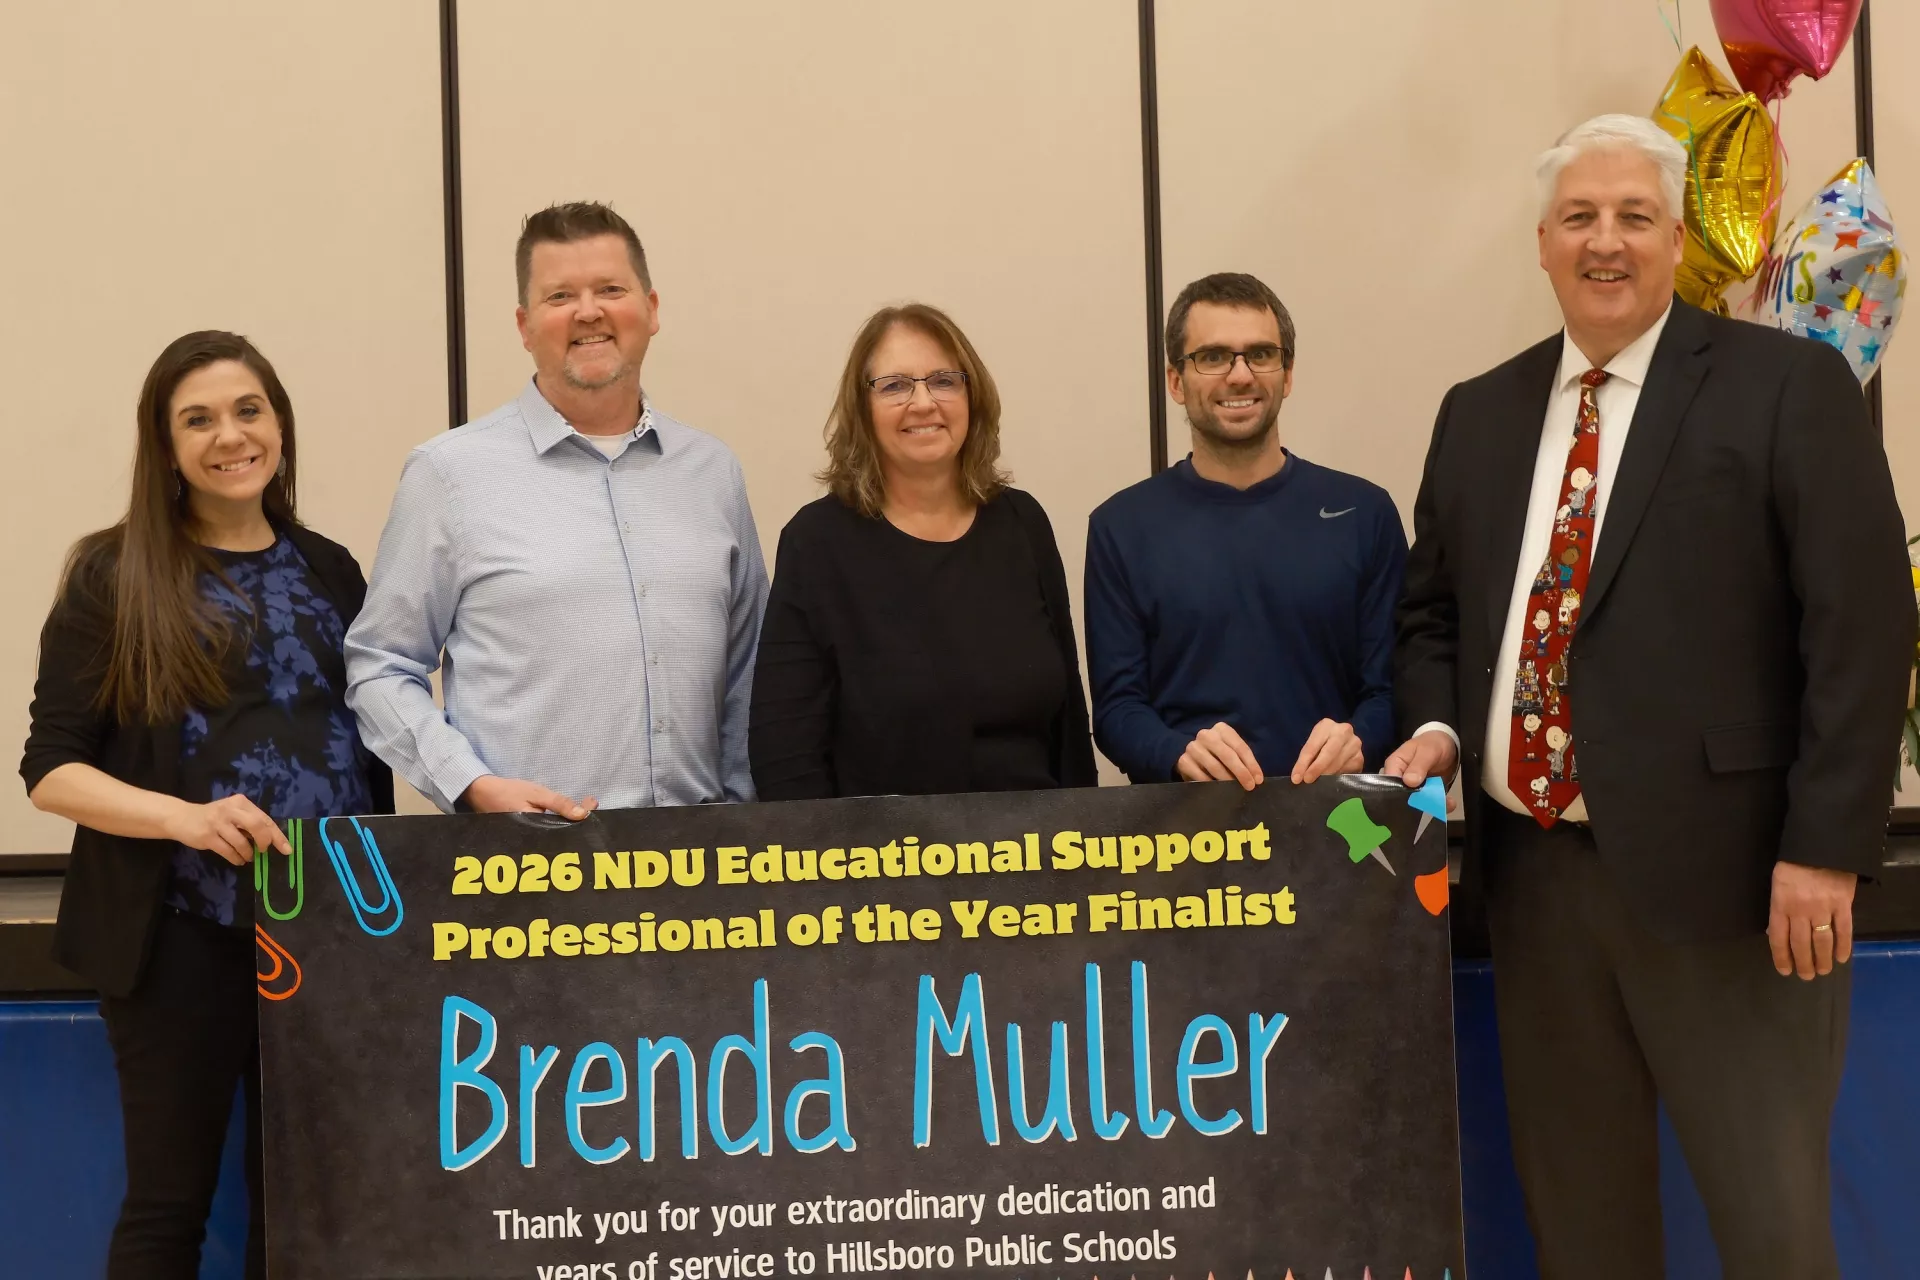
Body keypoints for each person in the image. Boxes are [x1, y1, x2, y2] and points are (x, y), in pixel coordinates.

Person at [1388, 115, 1913, 1279]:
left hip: (1740, 886)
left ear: (1680, 239)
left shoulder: (1787, 385)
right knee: (1584, 1233)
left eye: (1634, 216)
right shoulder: (1479, 410)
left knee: (1773, 1230)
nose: (1606, 241)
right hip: (1535, 884)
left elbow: (1862, 623)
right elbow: (1432, 614)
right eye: (1580, 217)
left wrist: (1825, 845)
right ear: (1541, 243)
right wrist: (1435, 727)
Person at [21, 331, 393, 1279]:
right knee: (168, 1209)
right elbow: (51, 770)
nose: (230, 436)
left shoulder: (329, 568)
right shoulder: (113, 574)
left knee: (304, 1216)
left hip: (323, 938)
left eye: (248, 410)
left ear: (280, 425)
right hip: (178, 938)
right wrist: (186, 819)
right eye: (199, 420)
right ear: (166, 446)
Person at [346, 202, 767, 815]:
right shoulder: (449, 473)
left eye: (611, 289)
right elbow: (380, 665)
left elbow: (747, 672)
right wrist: (470, 785)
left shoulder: (712, 472)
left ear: (651, 309)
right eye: (560, 295)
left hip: (697, 858)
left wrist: (743, 818)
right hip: (530, 860)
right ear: (524, 325)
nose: (588, 311)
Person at [749, 304, 1096, 799]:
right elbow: (784, 755)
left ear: (972, 396)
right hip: (889, 845)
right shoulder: (817, 543)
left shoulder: (1023, 523)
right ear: (862, 410)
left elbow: (1069, 724)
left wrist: (1080, 834)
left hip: (1033, 840)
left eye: (943, 381)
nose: (923, 402)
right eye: (894, 386)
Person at [1084, 272, 1405, 790]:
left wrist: (1360, 739)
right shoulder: (1120, 528)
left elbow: (1393, 690)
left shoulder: (1365, 513)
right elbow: (1117, 709)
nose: (1240, 375)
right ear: (1175, 381)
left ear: (1287, 374)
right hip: (1187, 827)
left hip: (1337, 819)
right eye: (1213, 357)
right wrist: (1175, 752)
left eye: (1260, 354)